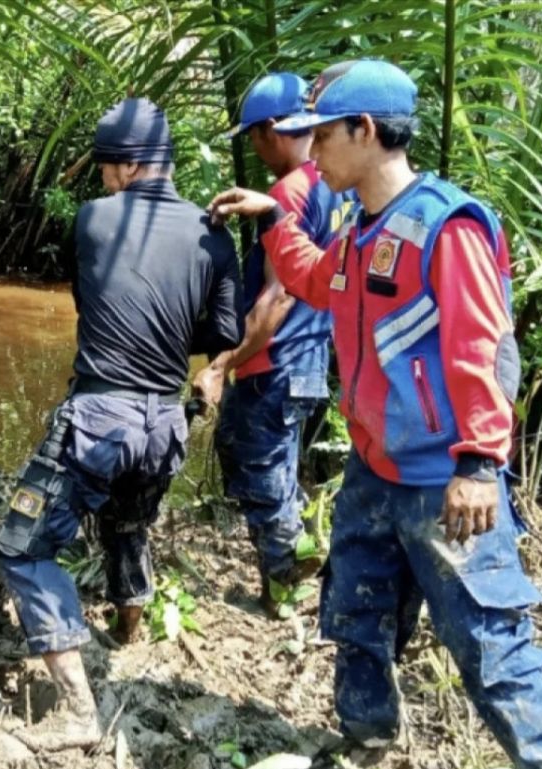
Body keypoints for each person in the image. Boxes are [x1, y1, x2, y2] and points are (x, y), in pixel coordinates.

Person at [207, 60, 542, 769]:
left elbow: (481, 344)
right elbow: (315, 281)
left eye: (322, 137)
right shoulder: (357, 231)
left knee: (489, 641)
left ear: (365, 131)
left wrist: (478, 461)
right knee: (356, 609)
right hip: (375, 472)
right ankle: (365, 737)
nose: (310, 154)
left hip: (446, 480)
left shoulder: (447, 226)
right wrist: (277, 218)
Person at [0, 97, 242, 752]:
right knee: (128, 522)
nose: (103, 179)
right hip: (165, 423)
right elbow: (221, 335)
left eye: (106, 167)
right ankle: (130, 631)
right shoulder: (212, 234)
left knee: (22, 546)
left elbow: (97, 301)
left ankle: (77, 709)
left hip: (100, 418)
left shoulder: (94, 220)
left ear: (126, 166)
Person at [192, 73, 348, 617]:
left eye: (254, 136)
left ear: (273, 130)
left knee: (258, 465)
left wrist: (221, 365)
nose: (254, 150)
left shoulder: (290, 193)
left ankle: (285, 584)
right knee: (268, 462)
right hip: (309, 356)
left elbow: (277, 298)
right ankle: (301, 558)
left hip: (275, 357)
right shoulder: (335, 187)